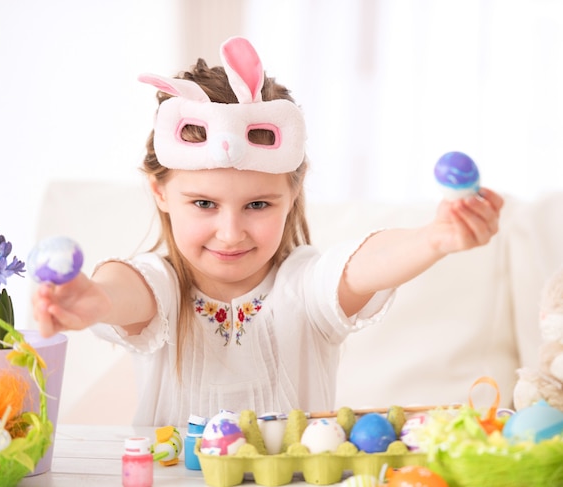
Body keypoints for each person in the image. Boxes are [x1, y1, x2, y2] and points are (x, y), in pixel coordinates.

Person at [32, 37, 504, 426]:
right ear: (160, 192)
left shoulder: (303, 287)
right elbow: (128, 289)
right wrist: (96, 298)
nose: (231, 232)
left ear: (293, 192)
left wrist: (434, 238)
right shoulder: (161, 285)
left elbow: (362, 267)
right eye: (203, 204)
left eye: (257, 204)